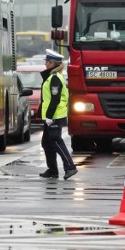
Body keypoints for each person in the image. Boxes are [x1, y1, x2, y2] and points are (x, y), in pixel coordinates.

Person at [38, 49, 77, 180]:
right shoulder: (50, 77)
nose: (45, 65)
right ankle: (53, 170)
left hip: (55, 115)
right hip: (50, 115)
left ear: (53, 63)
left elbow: (55, 99)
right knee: (46, 143)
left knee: (56, 141)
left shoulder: (55, 78)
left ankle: (70, 167)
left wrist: (49, 116)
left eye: (47, 63)